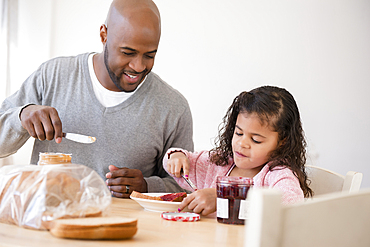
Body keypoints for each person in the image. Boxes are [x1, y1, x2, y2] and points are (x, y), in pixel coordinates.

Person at [0, 0, 194, 198]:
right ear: (104, 35)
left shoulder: (173, 108)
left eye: (149, 55)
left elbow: (187, 187)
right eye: (128, 53)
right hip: (48, 222)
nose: (138, 66)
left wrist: (147, 186)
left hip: (125, 228)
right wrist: (21, 116)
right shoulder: (52, 76)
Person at [163, 85, 312, 215]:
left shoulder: (278, 174)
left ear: (281, 142)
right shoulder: (220, 162)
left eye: (256, 140)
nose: (242, 143)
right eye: (239, 133)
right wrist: (176, 156)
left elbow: (291, 206)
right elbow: (180, 162)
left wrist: (225, 196)